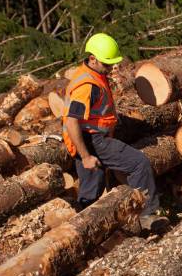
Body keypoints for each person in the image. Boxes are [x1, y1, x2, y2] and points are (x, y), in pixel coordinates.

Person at [62, 33, 161, 230]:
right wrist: (86, 156)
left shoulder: (93, 74)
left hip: (93, 137)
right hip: (91, 139)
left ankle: (84, 233)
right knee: (139, 164)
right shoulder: (86, 86)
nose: (110, 68)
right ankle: (147, 217)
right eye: (107, 64)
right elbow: (72, 121)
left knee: (91, 190)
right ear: (92, 59)